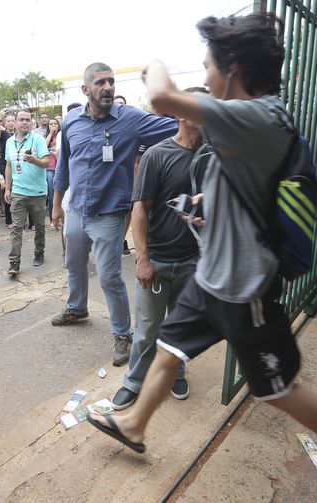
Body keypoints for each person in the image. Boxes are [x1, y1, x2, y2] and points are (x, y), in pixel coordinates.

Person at [86, 14, 317, 503]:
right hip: (213, 277)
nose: (206, 77)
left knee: (276, 388)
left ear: (231, 68)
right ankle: (133, 422)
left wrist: (151, 63)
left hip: (244, 289)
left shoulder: (257, 116)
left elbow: (164, 97)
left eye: (208, 65)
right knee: (170, 347)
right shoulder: (242, 122)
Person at [51, 62, 178, 367]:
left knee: (109, 276)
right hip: (75, 211)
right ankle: (77, 308)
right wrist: (56, 205)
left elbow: (176, 126)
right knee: (74, 265)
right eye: (100, 83)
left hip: (109, 215)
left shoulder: (130, 119)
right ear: (85, 90)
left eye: (111, 81)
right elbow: (65, 166)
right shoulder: (71, 122)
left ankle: (123, 333)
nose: (107, 87)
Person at [111, 86, 209, 410]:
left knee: (180, 328)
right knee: (147, 330)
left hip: (193, 263)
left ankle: (175, 373)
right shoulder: (157, 155)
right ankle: (134, 381)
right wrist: (143, 259)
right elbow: (140, 210)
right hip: (158, 262)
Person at [5, 110, 50, 276]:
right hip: (18, 192)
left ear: (32, 123)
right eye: (21, 120)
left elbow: (46, 163)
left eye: (27, 120)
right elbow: (9, 165)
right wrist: (8, 188)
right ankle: (14, 263)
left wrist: (34, 160)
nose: (24, 122)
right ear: (15, 122)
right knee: (17, 227)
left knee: (39, 226)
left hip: (37, 192)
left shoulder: (37, 140)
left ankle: (39, 252)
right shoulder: (10, 142)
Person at [0, 109, 17, 227]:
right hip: (5, 165)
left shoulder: (19, 134)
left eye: (13, 121)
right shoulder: (4, 134)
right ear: (5, 123)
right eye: (9, 121)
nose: (11, 123)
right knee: (8, 192)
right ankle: (9, 220)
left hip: (19, 165)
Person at [45, 118, 60, 225]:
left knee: (60, 193)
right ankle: (51, 219)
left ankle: (60, 218)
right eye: (51, 124)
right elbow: (44, 146)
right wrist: (50, 133)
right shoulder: (46, 138)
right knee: (51, 195)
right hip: (49, 169)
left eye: (55, 124)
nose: (53, 125)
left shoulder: (61, 137)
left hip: (60, 168)